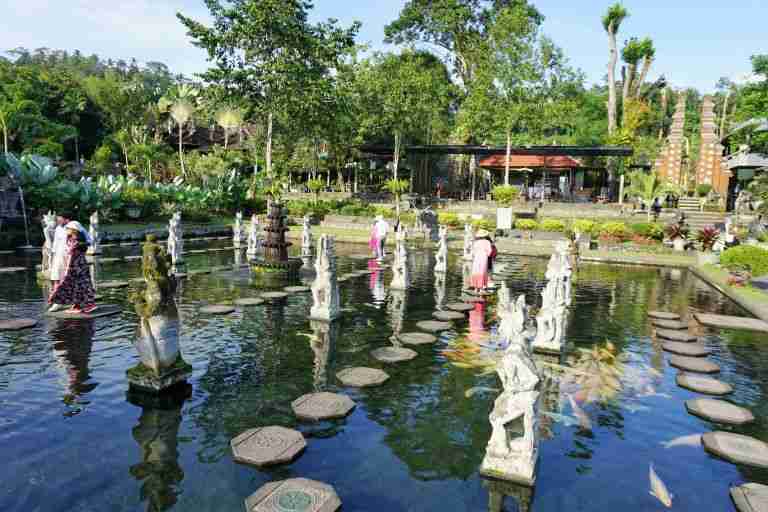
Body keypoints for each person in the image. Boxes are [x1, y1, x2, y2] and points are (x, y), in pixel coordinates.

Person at [48, 221, 97, 314]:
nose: (66, 230)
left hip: (76, 266)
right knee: (78, 286)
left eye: (68, 229)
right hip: (78, 266)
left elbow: (72, 255)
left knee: (80, 285)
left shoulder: (76, 241)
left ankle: (88, 305)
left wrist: (67, 268)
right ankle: (78, 305)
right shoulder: (74, 240)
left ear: (74, 230)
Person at [48, 212, 73, 312]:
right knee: (56, 278)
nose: (58, 220)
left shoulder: (73, 227)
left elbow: (86, 239)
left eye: (60, 218)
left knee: (69, 279)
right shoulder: (58, 228)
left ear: (66, 219)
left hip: (70, 256)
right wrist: (53, 256)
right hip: (58, 255)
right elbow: (55, 243)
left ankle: (68, 301)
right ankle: (57, 301)